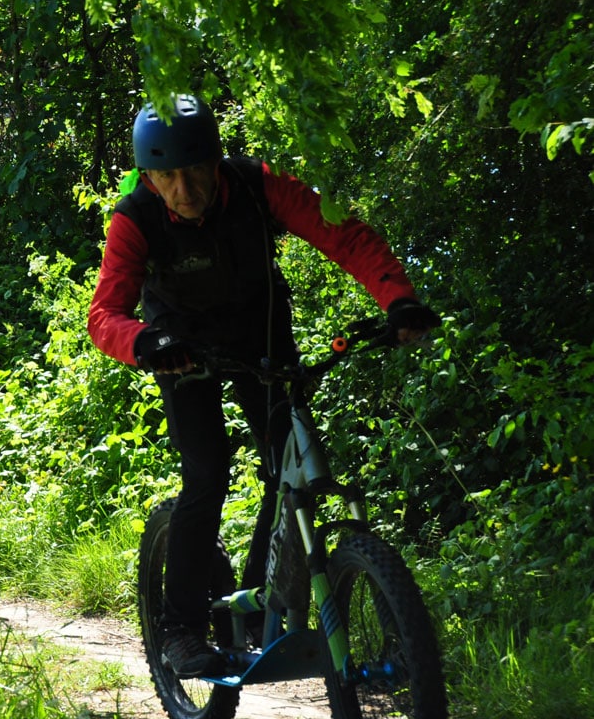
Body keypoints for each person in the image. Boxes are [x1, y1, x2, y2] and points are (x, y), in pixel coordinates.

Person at [87, 94, 438, 677]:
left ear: (216, 162)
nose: (184, 189)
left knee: (289, 465)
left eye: (194, 170)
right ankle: (179, 628)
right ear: (148, 176)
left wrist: (397, 299)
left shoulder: (257, 185)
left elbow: (346, 237)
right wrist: (146, 342)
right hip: (181, 351)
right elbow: (106, 315)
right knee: (208, 473)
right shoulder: (135, 219)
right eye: (167, 176)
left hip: (262, 338)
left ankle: (256, 605)